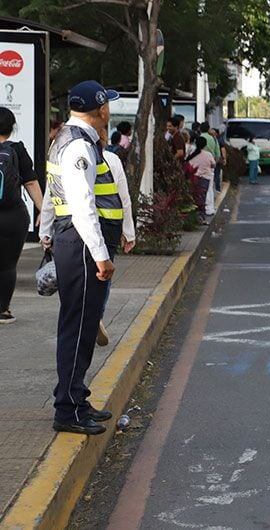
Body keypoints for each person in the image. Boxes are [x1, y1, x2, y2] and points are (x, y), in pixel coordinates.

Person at [45, 80, 124, 435]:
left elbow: (51, 194)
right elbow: (82, 207)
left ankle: (75, 396)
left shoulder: (65, 138)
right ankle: (68, 410)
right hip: (80, 244)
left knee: (82, 325)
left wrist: (46, 231)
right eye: (108, 105)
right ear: (101, 109)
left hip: (71, 242)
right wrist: (101, 255)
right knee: (78, 328)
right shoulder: (79, 147)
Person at [41, 126, 135, 347]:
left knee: (71, 277)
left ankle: (78, 318)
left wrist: (45, 229)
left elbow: (50, 193)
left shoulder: (62, 151)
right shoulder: (111, 159)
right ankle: (95, 316)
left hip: (69, 229)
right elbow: (124, 197)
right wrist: (128, 232)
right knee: (102, 276)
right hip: (105, 228)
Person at [0, 106, 44, 325]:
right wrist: (44, 212)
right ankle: (3, 311)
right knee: (7, 265)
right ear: (12, 128)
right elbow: (31, 182)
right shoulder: (16, 149)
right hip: (13, 217)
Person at [186, 136, 217, 224]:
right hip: (205, 179)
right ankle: (201, 217)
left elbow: (188, 164)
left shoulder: (192, 154)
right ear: (205, 145)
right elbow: (213, 165)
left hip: (193, 178)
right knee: (202, 197)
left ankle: (194, 215)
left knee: (194, 196)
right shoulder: (208, 154)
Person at [199, 122, 221, 203]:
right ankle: (209, 205)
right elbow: (217, 153)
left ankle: (202, 203)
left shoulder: (199, 137)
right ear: (208, 129)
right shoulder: (213, 138)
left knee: (200, 186)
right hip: (211, 163)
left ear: (200, 129)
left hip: (200, 164)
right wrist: (215, 163)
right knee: (210, 186)